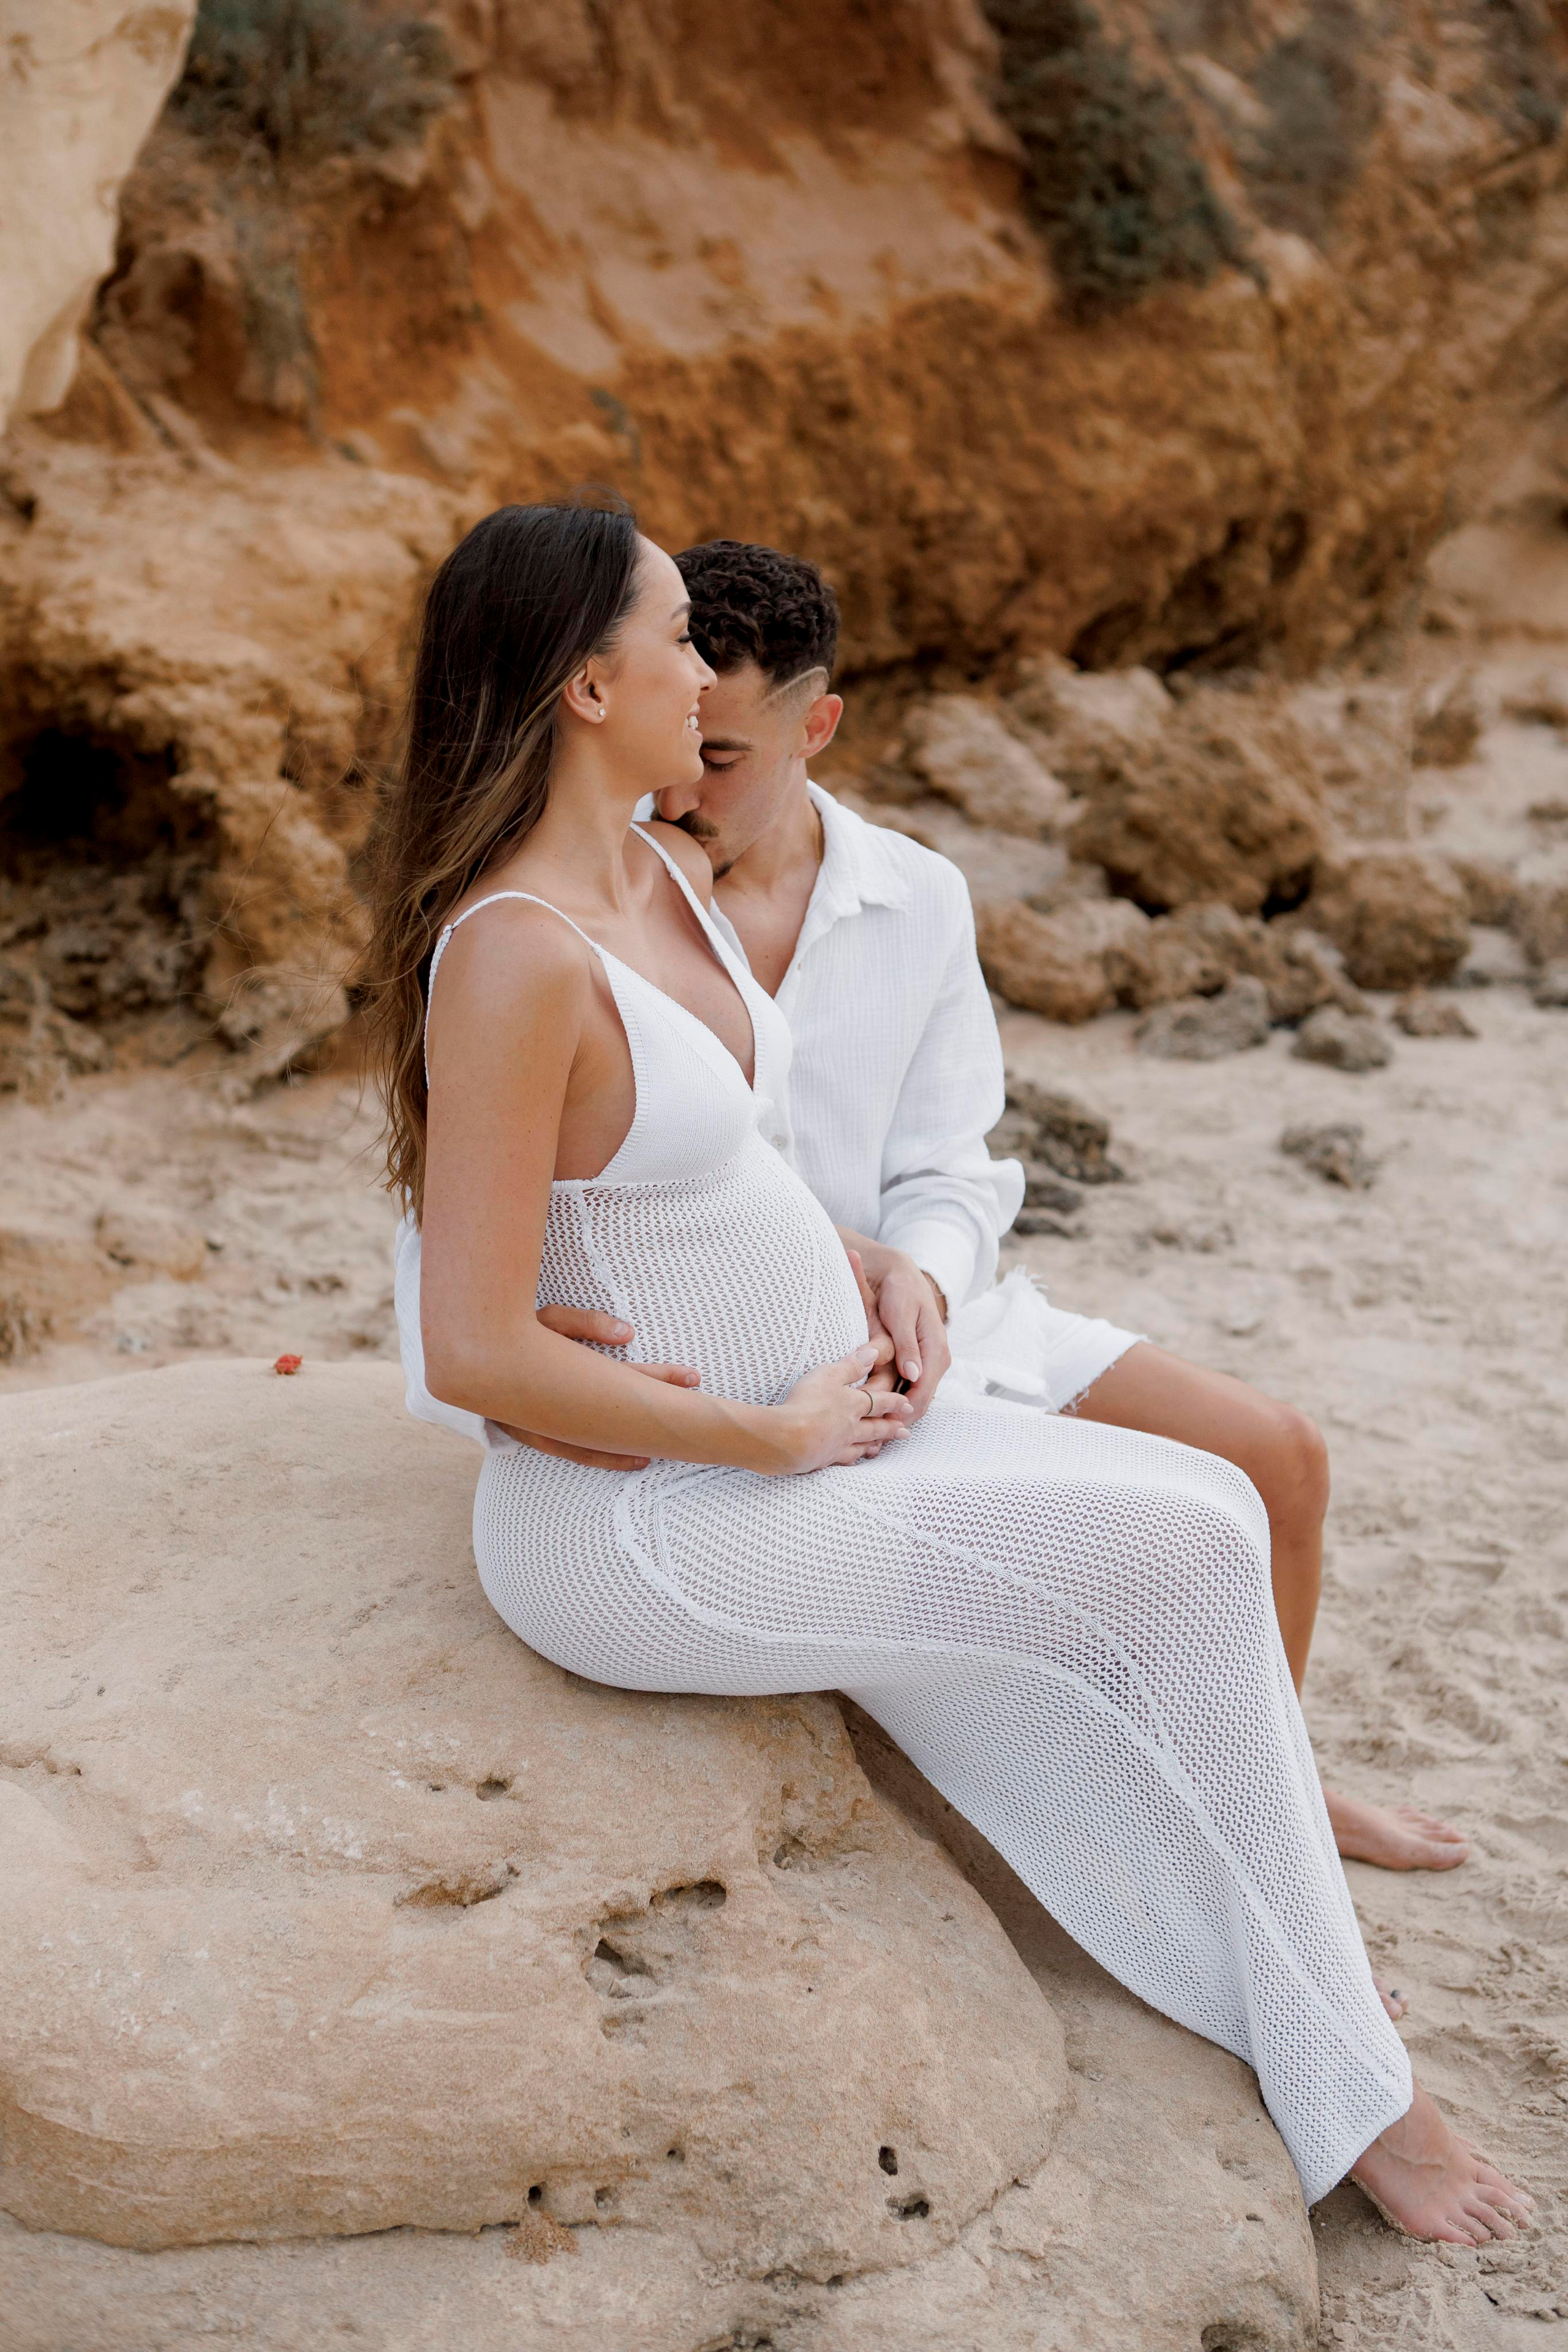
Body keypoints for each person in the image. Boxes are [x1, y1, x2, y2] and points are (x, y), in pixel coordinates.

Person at [368, 495, 1529, 2246]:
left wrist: (857, 1266)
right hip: (660, 1526)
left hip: (814, 1434)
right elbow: (469, 1337)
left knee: (1219, 1507)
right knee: (1182, 1558)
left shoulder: (658, 876)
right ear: (585, 686)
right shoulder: (515, 950)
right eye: (679, 637)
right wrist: (755, 1430)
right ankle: (1367, 2090)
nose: (707, 668)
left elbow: (711, 1164)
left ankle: (1309, 2004)